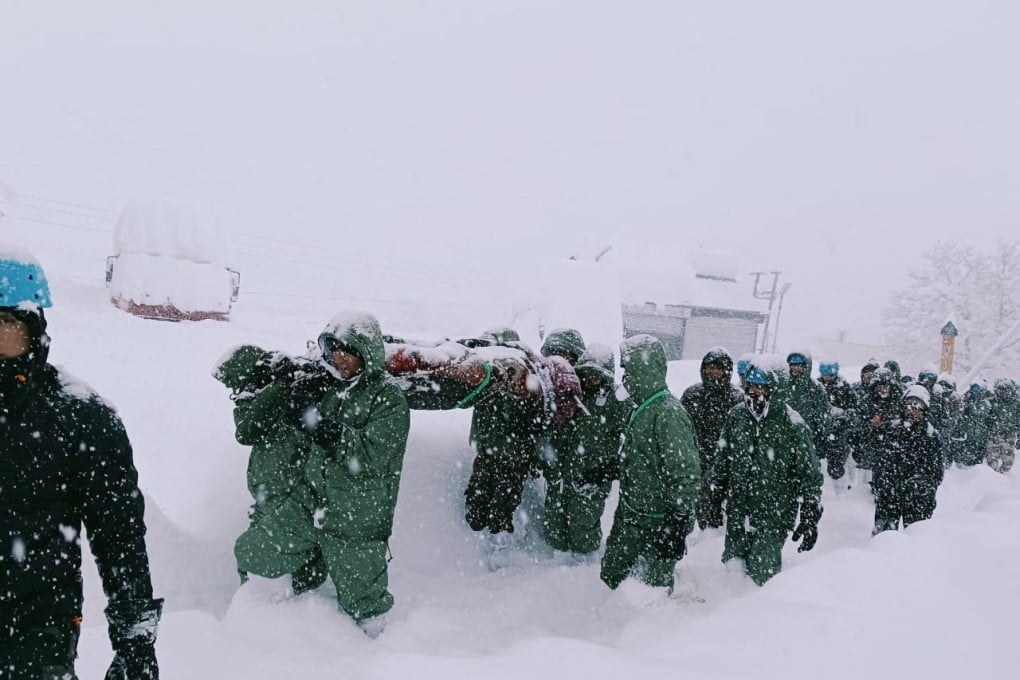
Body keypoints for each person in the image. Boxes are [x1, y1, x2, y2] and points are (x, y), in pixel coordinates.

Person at [0, 252, 162, 679]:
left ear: (34, 328)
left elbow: (120, 535)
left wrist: (135, 640)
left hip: (37, 626)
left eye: (5, 323)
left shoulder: (81, 415)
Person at [231, 312, 410, 637]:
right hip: (309, 504)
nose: (339, 358)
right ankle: (268, 621)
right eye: (333, 349)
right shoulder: (325, 384)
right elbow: (262, 427)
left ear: (366, 353)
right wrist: (291, 392)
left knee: (365, 607)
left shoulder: (388, 398)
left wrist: (319, 424)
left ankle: (380, 658)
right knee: (253, 552)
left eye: (348, 350)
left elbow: (372, 456)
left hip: (356, 517)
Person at [213, 345, 329, 594]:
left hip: (293, 504)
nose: (236, 393)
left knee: (252, 554)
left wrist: (286, 384)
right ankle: (259, 609)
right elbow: (248, 428)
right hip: (269, 501)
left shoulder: (292, 399)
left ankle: (296, 606)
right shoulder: (260, 404)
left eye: (239, 385)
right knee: (252, 565)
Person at [600, 335, 700, 593]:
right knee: (613, 579)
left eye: (629, 370)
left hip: (657, 524)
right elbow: (640, 457)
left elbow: (685, 474)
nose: (625, 377)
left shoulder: (668, 412)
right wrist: (607, 469)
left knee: (648, 594)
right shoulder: (642, 407)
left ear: (645, 369)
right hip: (631, 517)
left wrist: (676, 523)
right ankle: (606, 630)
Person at [708, 364, 823, 586]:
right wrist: (716, 492)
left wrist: (810, 510)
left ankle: (761, 616)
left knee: (762, 573)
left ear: (776, 389)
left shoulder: (792, 423)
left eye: (763, 387)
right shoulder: (737, 416)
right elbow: (722, 458)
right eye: (751, 386)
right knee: (733, 570)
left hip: (774, 513)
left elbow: (809, 472)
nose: (755, 392)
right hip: (739, 511)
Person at [542, 344, 630, 560]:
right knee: (554, 522)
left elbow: (633, 440)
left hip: (592, 477)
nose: (591, 379)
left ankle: (583, 566)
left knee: (583, 524)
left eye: (597, 375)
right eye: (587, 374)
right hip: (561, 473)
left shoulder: (617, 402)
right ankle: (553, 566)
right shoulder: (569, 394)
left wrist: (609, 468)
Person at [680, 348, 743, 528]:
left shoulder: (736, 398)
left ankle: (709, 539)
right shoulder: (692, 394)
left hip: (723, 462)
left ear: (727, 371)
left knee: (715, 508)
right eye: (710, 367)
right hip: (693, 458)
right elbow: (682, 427)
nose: (713, 372)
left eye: (719, 368)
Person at [872, 386, 943, 534]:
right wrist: (882, 483)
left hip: (918, 498)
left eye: (918, 407)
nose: (912, 410)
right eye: (909, 405)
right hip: (889, 494)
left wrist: (921, 486)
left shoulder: (931, 436)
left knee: (917, 538)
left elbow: (936, 472)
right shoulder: (890, 429)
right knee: (884, 538)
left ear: (924, 410)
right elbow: (878, 458)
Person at [817, 361, 860, 493]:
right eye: (825, 375)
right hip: (820, 431)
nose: (828, 378)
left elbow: (854, 409)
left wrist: (843, 415)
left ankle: (840, 493)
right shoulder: (816, 387)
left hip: (839, 433)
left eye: (830, 375)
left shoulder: (845, 388)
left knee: (837, 465)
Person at [785, 351, 833, 453]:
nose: (795, 368)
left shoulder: (815, 388)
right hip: (784, 437)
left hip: (807, 439)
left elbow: (823, 417)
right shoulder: (783, 385)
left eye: (799, 365)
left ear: (806, 366)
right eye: (792, 364)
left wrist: (820, 438)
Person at [985, 379, 1019, 473]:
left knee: (1008, 457)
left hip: (1009, 434)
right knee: (991, 455)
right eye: (1000, 389)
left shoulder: (1016, 404)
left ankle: (1004, 475)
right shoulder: (993, 401)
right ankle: (993, 475)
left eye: (1005, 390)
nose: (1003, 392)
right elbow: (986, 416)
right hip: (994, 433)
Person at [955, 382, 991, 467]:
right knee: (966, 456)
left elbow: (990, 419)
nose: (975, 391)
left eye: (978, 389)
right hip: (968, 434)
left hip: (981, 435)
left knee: (978, 459)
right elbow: (960, 415)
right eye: (973, 389)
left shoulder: (987, 402)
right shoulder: (966, 399)